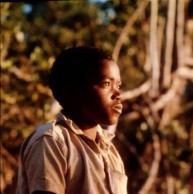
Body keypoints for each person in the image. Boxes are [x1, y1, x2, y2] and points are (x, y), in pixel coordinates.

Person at [16, 46, 127, 194]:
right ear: (74, 92)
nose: (118, 93)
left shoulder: (111, 153)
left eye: (118, 85)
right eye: (106, 84)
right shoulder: (52, 141)